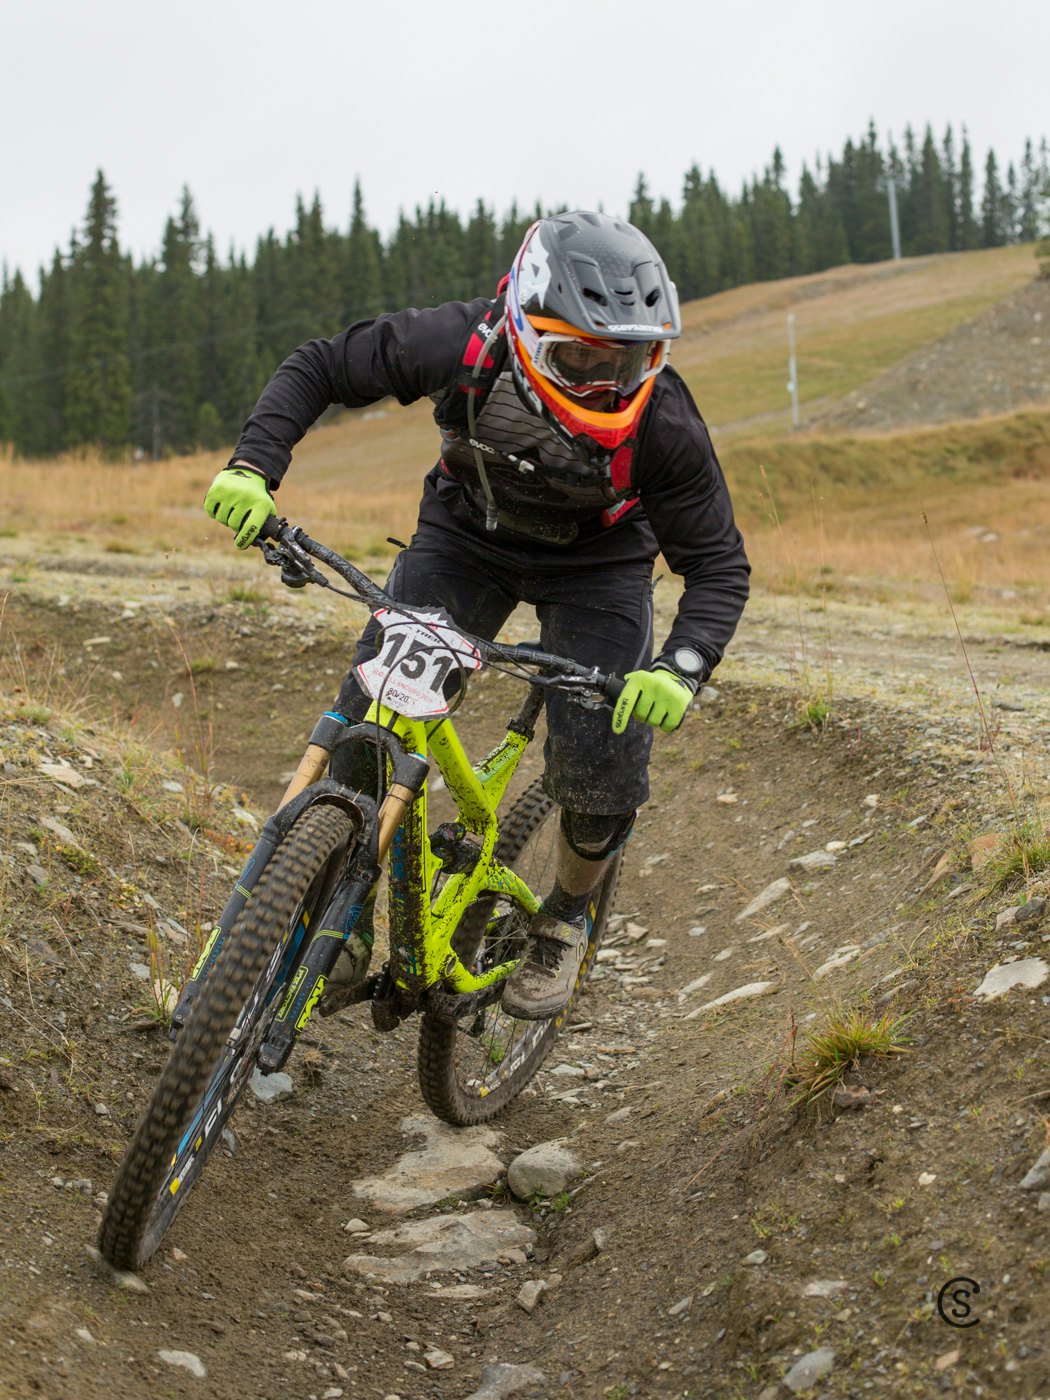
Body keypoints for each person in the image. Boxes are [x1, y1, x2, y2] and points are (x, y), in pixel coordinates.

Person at [204, 210, 749, 1020]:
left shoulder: (664, 423)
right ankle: (338, 919)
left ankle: (566, 919)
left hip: (597, 567)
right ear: (526, 332)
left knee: (600, 770)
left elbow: (717, 566)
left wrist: (683, 666)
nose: (609, 385)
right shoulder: (459, 344)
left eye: (633, 362)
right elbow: (321, 367)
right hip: (465, 538)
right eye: (581, 360)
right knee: (372, 721)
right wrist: (253, 468)